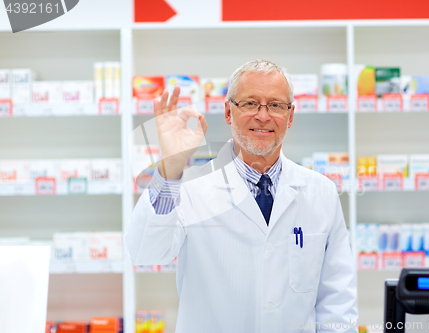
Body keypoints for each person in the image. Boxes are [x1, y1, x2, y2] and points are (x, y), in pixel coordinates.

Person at [125, 60, 358, 333]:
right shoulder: (190, 188)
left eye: (275, 105)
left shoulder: (321, 193)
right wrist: (170, 166)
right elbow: (144, 251)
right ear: (228, 112)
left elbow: (337, 301)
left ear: (290, 116)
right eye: (249, 103)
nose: (263, 115)